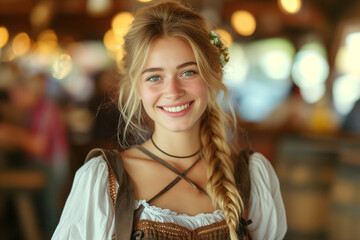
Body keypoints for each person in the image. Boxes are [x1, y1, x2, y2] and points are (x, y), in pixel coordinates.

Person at [52, 1, 287, 239]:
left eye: (188, 72)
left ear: (213, 73)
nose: (173, 91)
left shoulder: (252, 177)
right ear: (137, 87)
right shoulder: (104, 181)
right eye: (155, 77)